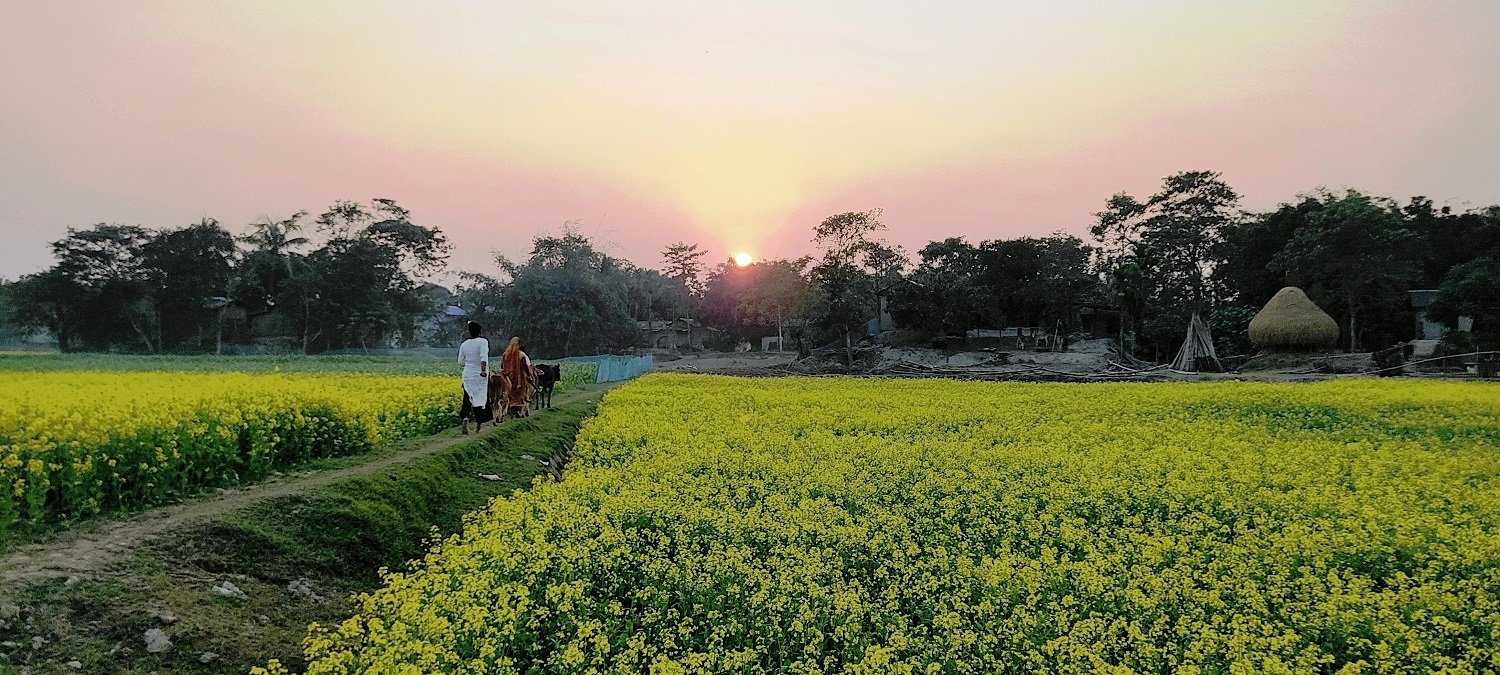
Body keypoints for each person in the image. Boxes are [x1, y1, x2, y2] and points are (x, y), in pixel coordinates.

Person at [458, 321, 492, 434]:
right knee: (480, 398)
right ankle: (478, 426)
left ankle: (465, 418)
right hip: (478, 373)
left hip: (467, 373)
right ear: (480, 331)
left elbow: (460, 361)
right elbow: (483, 358)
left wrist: (470, 363)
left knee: (467, 397)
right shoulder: (483, 342)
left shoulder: (464, 344)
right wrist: (483, 371)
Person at [500, 337, 532, 416]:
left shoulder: (505, 354)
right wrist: (529, 376)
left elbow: (502, 366)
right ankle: (518, 410)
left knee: (509, 392)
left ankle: (509, 409)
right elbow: (525, 367)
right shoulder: (521, 355)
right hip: (519, 378)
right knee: (519, 394)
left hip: (507, 377)